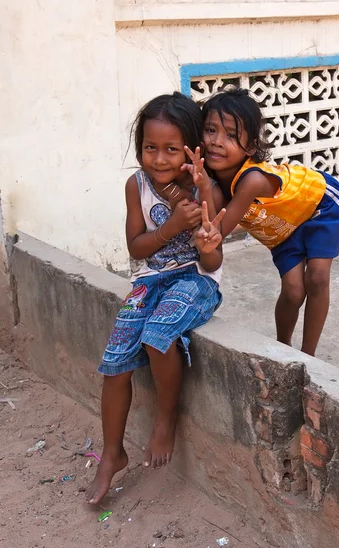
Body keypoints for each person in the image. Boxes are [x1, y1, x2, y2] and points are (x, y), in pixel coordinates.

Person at [86, 92, 225, 506]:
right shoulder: (137, 185)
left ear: (190, 149)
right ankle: (112, 454)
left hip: (196, 280)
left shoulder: (205, 187)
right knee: (114, 361)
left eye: (170, 149)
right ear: (139, 147)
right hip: (149, 279)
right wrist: (171, 227)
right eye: (150, 148)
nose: (159, 160)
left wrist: (201, 230)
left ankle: (165, 419)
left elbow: (214, 259)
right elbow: (136, 246)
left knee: (157, 333)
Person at [186, 88, 339, 358]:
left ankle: (309, 358)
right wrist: (202, 187)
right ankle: (284, 350)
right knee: (293, 291)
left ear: (250, 147)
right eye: (211, 130)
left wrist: (202, 197)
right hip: (282, 229)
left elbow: (217, 233)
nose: (216, 141)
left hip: (317, 203)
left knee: (317, 277)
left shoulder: (251, 180)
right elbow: (212, 228)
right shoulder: (212, 180)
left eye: (231, 135)